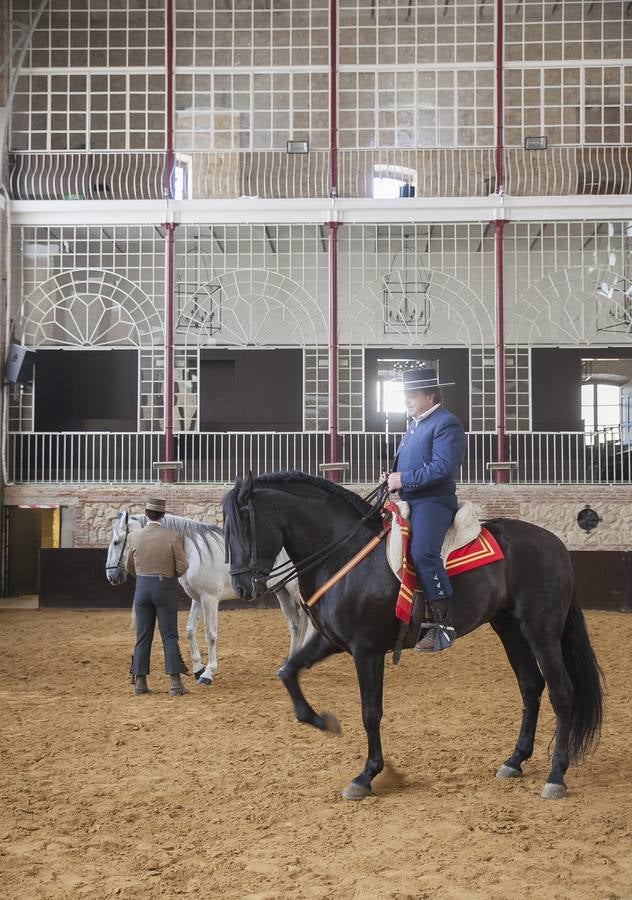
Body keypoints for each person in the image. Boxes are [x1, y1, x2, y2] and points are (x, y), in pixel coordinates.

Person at [386, 367, 466, 653]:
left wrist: (403, 478)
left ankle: (442, 625)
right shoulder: (414, 425)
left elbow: (442, 468)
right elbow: (409, 466)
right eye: (406, 395)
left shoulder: (447, 424)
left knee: (422, 553)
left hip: (433, 501)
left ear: (431, 395)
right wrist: (392, 478)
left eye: (413, 394)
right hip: (409, 498)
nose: (407, 400)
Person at [126, 497, 189, 695]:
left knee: (142, 636)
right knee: (169, 635)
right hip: (164, 588)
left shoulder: (134, 537)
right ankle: (175, 683)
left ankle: (140, 683)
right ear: (163, 515)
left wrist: (143, 576)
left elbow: (129, 565)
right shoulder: (172, 536)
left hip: (142, 587)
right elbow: (182, 567)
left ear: (146, 514)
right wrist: (169, 575)